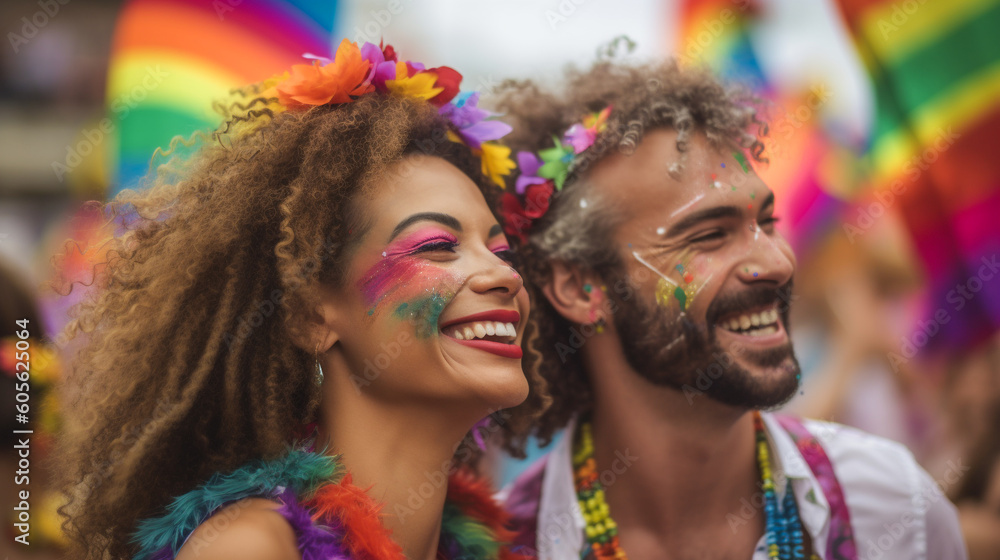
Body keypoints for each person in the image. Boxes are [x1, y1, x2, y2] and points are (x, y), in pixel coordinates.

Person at [55, 40, 545, 560]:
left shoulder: (492, 546)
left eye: (501, 251)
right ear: (309, 316)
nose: (504, 275)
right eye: (437, 246)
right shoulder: (250, 548)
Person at [495, 57, 968, 559]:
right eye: (710, 235)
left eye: (767, 222)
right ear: (579, 288)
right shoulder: (497, 549)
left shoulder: (895, 511)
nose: (778, 263)